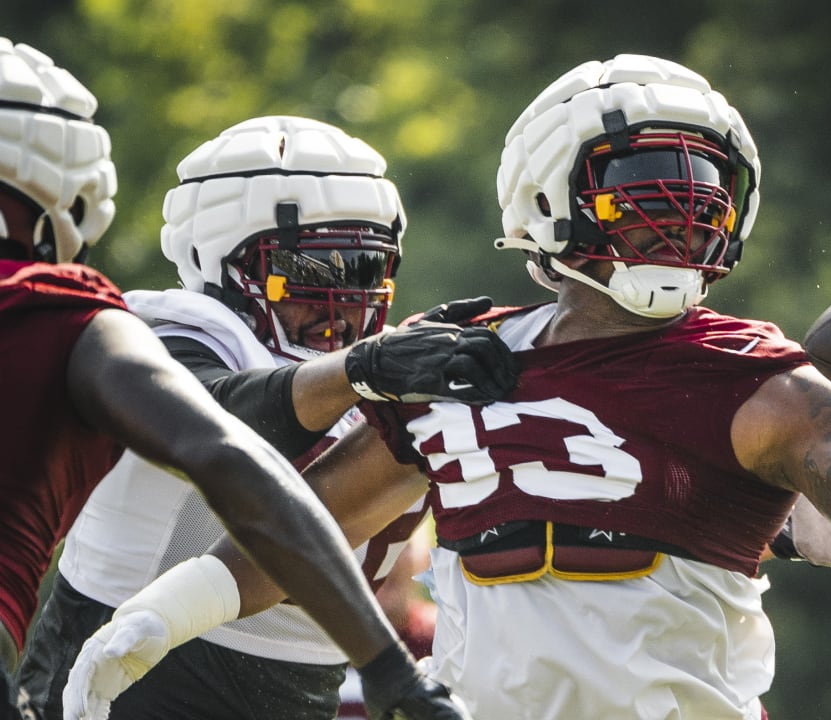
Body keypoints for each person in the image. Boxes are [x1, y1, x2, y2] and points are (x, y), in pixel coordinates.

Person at [64, 53, 831, 719]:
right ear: (547, 198)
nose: (668, 228)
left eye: (695, 206)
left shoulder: (764, 387)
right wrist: (153, 619)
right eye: (637, 200)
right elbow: (303, 530)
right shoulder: (460, 363)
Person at [0, 38, 498, 720]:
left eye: (366, 271)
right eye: (317, 271)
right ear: (220, 258)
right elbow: (218, 416)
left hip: (302, 691)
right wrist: (361, 371)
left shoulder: (379, 372)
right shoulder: (179, 326)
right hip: (130, 669)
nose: (345, 302)